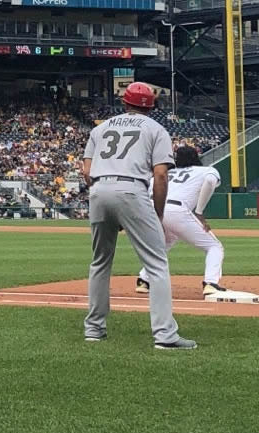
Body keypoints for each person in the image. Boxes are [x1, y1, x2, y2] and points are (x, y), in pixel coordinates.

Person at [81, 81, 197, 350]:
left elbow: (86, 171)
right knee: (156, 264)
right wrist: (156, 212)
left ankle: (94, 329)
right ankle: (165, 335)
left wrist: (106, 196)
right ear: (151, 107)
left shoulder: (100, 128)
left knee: (100, 262)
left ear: (124, 102)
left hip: (99, 190)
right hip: (131, 189)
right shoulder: (156, 129)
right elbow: (160, 174)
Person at [135, 145, 231, 298]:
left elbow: (148, 190)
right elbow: (211, 181)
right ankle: (211, 283)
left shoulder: (165, 173)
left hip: (154, 210)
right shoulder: (206, 170)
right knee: (214, 247)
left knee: (164, 243)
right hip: (177, 210)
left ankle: (144, 280)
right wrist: (199, 211)